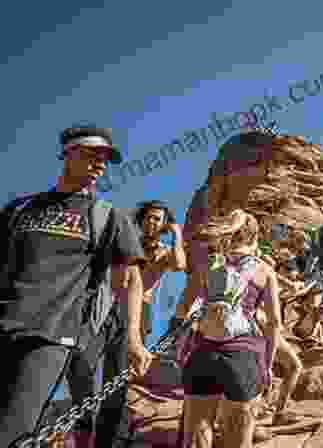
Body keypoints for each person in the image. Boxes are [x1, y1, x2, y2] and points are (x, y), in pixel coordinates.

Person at [0, 125, 151, 448]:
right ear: (67, 154)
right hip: (4, 323)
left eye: (105, 159)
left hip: (50, 336)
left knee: (11, 431)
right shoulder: (19, 209)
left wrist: (135, 340)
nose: (100, 164)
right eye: (92, 154)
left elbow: (131, 280)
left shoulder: (107, 216)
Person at [178, 211, 282, 448]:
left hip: (203, 354)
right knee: (237, 437)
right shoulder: (264, 270)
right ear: (255, 237)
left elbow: (184, 309)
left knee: (196, 435)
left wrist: (183, 348)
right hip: (241, 356)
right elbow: (275, 323)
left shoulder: (208, 264)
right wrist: (267, 366)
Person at [132, 200, 187, 343]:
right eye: (148, 217)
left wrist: (177, 234)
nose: (151, 221)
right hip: (118, 304)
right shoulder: (129, 244)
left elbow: (179, 265)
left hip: (142, 306)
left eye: (157, 219)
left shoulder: (165, 252)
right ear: (141, 220)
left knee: (134, 357)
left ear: (164, 224)